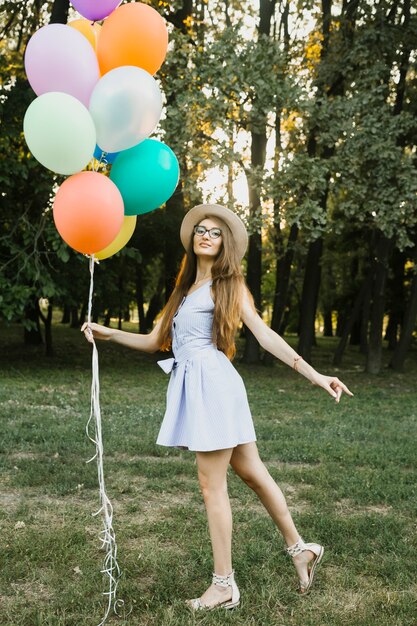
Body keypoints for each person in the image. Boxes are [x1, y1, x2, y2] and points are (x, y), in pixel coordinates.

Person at [82, 203, 353, 611]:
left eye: (214, 232)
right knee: (253, 474)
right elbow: (156, 341)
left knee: (213, 487)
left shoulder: (229, 286)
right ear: (192, 241)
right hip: (204, 384)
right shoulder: (183, 290)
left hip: (214, 385)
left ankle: (224, 584)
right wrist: (108, 334)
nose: (205, 235)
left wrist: (315, 375)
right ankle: (301, 549)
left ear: (225, 243)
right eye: (200, 231)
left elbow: (264, 336)